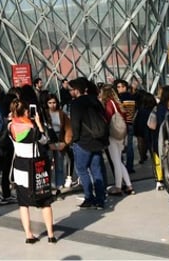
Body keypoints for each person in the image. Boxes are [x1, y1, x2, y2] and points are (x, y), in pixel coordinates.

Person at [9, 98, 57, 243]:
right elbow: (45, 141)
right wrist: (38, 123)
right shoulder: (32, 130)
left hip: (19, 166)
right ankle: (50, 234)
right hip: (35, 167)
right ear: (25, 111)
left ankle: (28, 235)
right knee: (44, 201)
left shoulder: (10, 126)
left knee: (23, 202)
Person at [67, 78, 108, 209]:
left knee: (82, 170)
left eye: (71, 89)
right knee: (97, 170)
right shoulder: (94, 100)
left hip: (83, 142)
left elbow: (75, 124)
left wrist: (75, 139)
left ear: (76, 90)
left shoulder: (76, 103)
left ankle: (89, 197)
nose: (69, 92)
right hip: (98, 140)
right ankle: (100, 200)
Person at [100, 85, 134, 196]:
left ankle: (118, 187)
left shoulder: (109, 104)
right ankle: (129, 185)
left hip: (113, 135)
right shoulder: (118, 103)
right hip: (121, 134)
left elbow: (108, 119)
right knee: (118, 161)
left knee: (116, 162)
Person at [46, 94, 72, 196]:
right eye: (50, 103)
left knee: (59, 164)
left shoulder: (62, 114)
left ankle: (58, 187)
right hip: (49, 140)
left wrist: (66, 142)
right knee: (48, 164)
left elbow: (68, 128)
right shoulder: (45, 114)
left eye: (54, 103)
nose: (52, 105)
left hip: (60, 139)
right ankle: (49, 186)